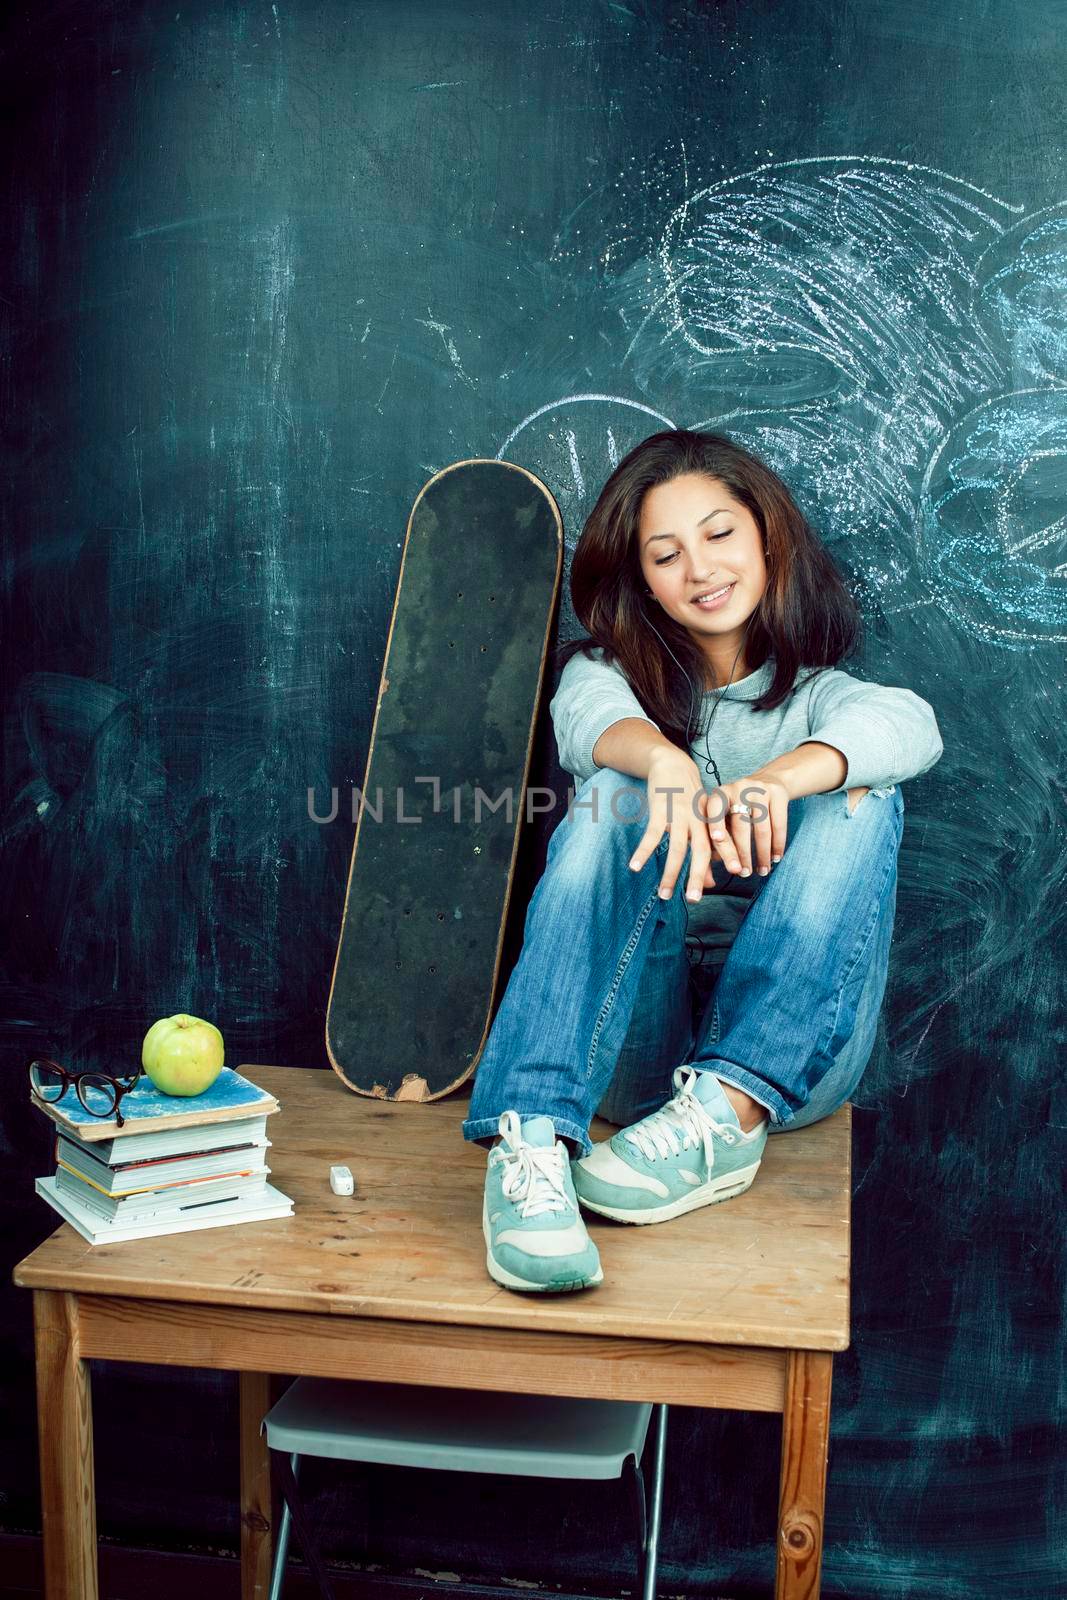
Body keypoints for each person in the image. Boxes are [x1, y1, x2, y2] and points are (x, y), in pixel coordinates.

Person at [462, 429, 943, 1293]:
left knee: (862, 787)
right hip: (631, 1041)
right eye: (664, 553)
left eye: (719, 534)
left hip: (785, 1060)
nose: (699, 569)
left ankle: (724, 1112)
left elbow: (908, 724)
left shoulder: (819, 696)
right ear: (639, 577)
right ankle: (529, 1143)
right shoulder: (607, 675)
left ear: (765, 536)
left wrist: (776, 782)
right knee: (613, 790)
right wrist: (663, 762)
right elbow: (585, 723)